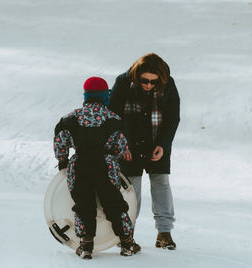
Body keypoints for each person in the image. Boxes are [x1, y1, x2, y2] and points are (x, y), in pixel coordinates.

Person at [53, 77, 140, 259]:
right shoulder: (113, 119)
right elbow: (120, 143)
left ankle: (86, 245)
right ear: (104, 96)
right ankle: (126, 243)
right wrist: (113, 156)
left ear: (86, 95)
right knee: (113, 203)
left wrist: (63, 160)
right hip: (105, 165)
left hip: (79, 165)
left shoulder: (72, 117)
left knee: (83, 204)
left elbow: (60, 138)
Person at [109, 53, 180, 250]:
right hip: (129, 144)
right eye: (144, 81)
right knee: (131, 188)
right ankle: (127, 232)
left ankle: (164, 233)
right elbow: (114, 116)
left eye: (153, 82)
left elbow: (173, 118)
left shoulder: (168, 84)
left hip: (156, 142)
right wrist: (123, 144)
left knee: (161, 183)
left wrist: (163, 145)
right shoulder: (123, 82)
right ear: (137, 75)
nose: (148, 85)